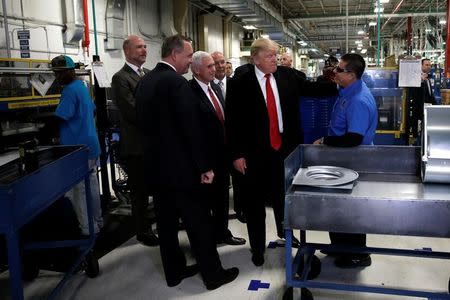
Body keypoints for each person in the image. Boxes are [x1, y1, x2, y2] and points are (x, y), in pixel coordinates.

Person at [135, 35, 238, 290]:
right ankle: (213, 275)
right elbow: (190, 129)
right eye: (189, 56)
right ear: (175, 54)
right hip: (182, 171)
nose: (190, 61)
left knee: (167, 226)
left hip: (156, 170)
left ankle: (175, 272)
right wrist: (204, 167)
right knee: (199, 224)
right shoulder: (176, 83)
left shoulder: (145, 81)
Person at [226, 38, 337, 267]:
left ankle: (285, 233)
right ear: (255, 58)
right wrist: (236, 154)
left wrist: (341, 83)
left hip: (283, 151)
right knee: (255, 204)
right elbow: (233, 121)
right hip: (254, 154)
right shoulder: (240, 83)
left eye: (276, 54)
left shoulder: (287, 76)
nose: (275, 59)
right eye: (269, 55)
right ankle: (257, 248)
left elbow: (312, 89)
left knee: (283, 198)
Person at [314, 53, 378, 268]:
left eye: (339, 70)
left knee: (350, 212)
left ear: (352, 74)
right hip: (340, 160)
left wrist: (325, 140)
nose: (335, 72)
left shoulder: (358, 100)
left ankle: (358, 255)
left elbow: (353, 138)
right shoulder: (347, 91)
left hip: (352, 161)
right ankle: (340, 247)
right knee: (337, 209)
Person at [188, 51, 246, 246]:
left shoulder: (214, 88)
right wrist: (203, 165)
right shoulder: (189, 92)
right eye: (210, 66)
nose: (216, 69)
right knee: (206, 204)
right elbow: (193, 132)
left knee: (221, 200)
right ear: (196, 70)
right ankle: (207, 240)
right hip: (206, 161)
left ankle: (222, 233)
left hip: (222, 157)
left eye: (215, 65)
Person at [111, 35, 158, 247]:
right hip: (136, 146)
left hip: (153, 143)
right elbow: (132, 111)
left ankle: (155, 222)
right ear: (127, 51)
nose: (144, 50)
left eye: (145, 46)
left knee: (156, 186)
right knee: (139, 191)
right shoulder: (120, 78)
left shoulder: (148, 74)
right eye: (139, 47)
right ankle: (143, 230)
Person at [51, 55, 103, 236]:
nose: (58, 76)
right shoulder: (81, 87)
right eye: (55, 73)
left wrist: (44, 129)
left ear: (71, 71)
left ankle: (87, 229)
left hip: (77, 148)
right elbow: (93, 110)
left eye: (61, 73)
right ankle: (97, 221)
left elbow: (60, 116)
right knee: (92, 186)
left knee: (78, 190)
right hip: (90, 144)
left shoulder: (70, 91)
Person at [210, 51, 245, 223]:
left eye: (223, 62)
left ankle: (240, 209)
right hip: (217, 144)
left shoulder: (236, 85)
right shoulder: (206, 87)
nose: (221, 66)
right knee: (220, 183)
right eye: (216, 63)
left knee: (239, 179)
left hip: (235, 141)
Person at [406, 58, 437, 140]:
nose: (429, 67)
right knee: (418, 130)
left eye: (430, 65)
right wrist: (420, 80)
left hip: (427, 108)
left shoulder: (428, 79)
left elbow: (430, 95)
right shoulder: (416, 78)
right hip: (418, 108)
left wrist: (436, 106)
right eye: (426, 65)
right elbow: (412, 92)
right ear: (420, 66)